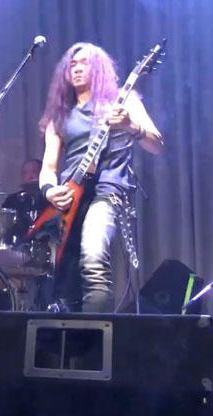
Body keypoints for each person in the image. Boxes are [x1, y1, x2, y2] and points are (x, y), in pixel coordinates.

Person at [38, 42, 163, 313]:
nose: (77, 68)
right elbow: (48, 166)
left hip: (108, 191)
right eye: (72, 64)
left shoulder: (124, 100)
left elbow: (156, 144)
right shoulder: (59, 116)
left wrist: (130, 125)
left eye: (84, 63)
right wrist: (49, 190)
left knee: (93, 258)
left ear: (99, 68)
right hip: (69, 198)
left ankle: (96, 336)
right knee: (66, 279)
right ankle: (72, 335)